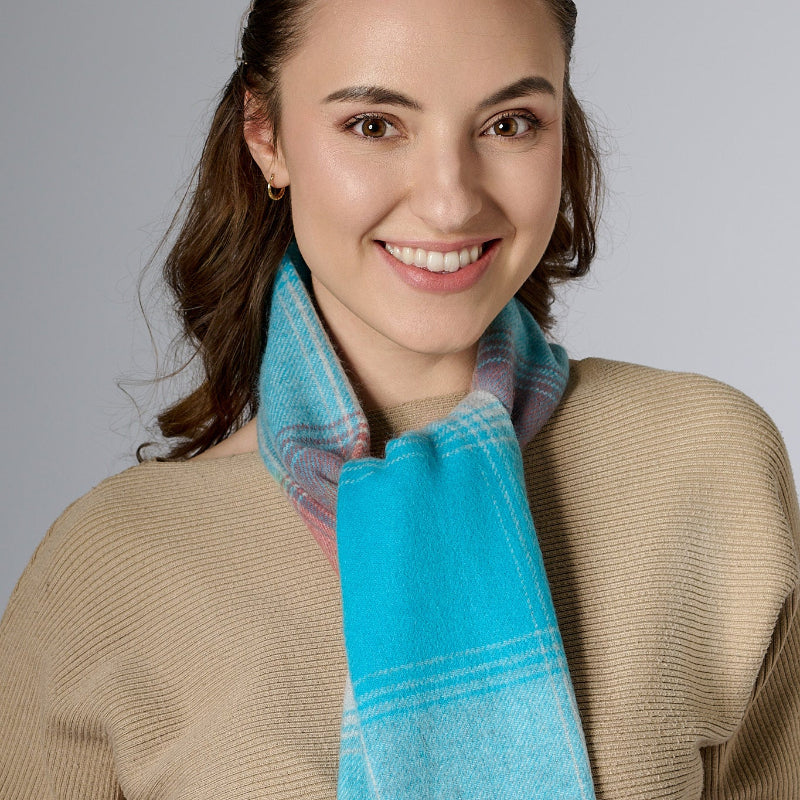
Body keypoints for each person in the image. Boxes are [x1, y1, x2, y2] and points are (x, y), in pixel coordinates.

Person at [1, 0, 798, 798]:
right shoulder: (115, 565)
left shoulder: (706, 464)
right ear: (266, 135)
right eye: (374, 125)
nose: (450, 202)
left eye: (510, 124)